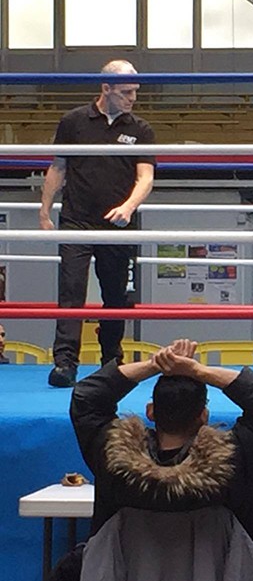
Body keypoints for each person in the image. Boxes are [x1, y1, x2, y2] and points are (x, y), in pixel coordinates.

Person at [70, 338, 253, 581]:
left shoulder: (112, 461)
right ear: (204, 416)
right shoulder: (232, 463)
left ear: (151, 412)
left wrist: (154, 365)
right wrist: (199, 371)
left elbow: (86, 397)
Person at [41, 60, 156, 388]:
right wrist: (44, 212)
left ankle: (111, 360)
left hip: (118, 224)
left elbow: (146, 177)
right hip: (77, 219)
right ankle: (65, 362)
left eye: (135, 91)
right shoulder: (73, 121)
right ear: (105, 88)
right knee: (71, 290)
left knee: (116, 293)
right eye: (125, 92)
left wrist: (129, 206)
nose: (132, 98)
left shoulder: (141, 128)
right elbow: (58, 167)